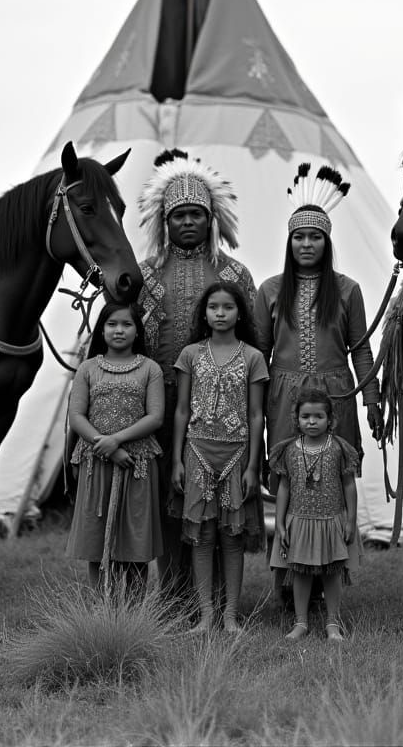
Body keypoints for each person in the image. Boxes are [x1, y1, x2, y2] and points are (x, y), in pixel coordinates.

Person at [253, 163, 384, 608]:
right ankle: (286, 583)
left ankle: (330, 579)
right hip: (285, 400)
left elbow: (361, 350)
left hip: (336, 398)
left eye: (315, 237)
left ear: (328, 243)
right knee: (290, 485)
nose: (306, 244)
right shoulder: (270, 291)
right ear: (288, 243)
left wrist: (371, 399)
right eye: (299, 237)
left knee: (330, 483)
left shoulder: (347, 291)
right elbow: (260, 356)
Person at [136, 148, 257, 597]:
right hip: (160, 409)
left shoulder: (235, 275)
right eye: (179, 215)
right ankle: (171, 594)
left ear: (212, 220)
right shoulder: (145, 275)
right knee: (171, 496)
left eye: (196, 214)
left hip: (222, 414)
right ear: (164, 222)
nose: (188, 222)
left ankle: (219, 599)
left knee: (219, 503)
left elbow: (253, 346)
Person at [170, 281, 268, 633]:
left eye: (228, 307)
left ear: (240, 312)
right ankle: (206, 615)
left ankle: (230, 616)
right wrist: (177, 460)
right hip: (196, 450)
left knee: (232, 537)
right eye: (214, 307)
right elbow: (181, 410)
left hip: (237, 453)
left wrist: (254, 465)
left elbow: (257, 415)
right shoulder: (191, 354)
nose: (221, 313)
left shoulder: (253, 358)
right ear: (205, 313)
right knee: (202, 535)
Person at [65, 300, 165, 600]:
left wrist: (117, 440)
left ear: (137, 331)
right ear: (102, 329)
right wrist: (106, 447)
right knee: (97, 540)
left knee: (135, 541)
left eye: (126, 324)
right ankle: (101, 608)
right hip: (96, 462)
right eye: (112, 324)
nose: (119, 330)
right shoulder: (87, 368)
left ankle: (134, 613)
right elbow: (76, 416)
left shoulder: (150, 369)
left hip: (137, 463)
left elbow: (155, 417)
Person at [268, 388, 361, 640]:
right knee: (300, 572)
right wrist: (280, 523)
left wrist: (350, 520)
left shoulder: (339, 449)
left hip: (332, 520)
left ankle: (332, 623)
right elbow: (285, 487)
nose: (311, 421)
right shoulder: (289, 450)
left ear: (330, 420)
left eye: (318, 416)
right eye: (305, 416)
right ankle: (301, 622)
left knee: (332, 572)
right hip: (299, 520)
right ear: (296, 419)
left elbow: (349, 484)